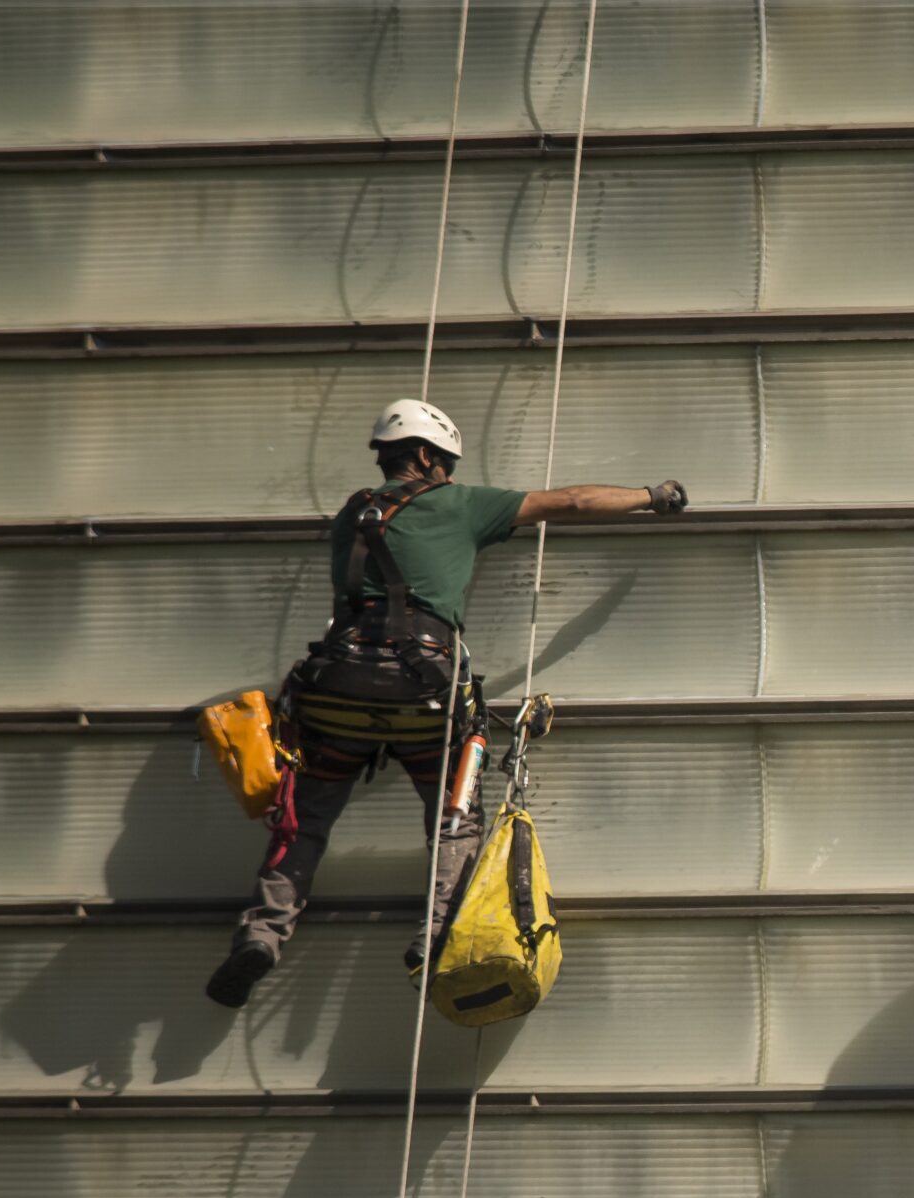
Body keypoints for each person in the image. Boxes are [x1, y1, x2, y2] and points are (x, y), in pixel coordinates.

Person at [205, 398, 686, 1009]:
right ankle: (434, 936)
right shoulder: (459, 504)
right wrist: (653, 494)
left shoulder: (350, 514)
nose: (453, 476)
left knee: (303, 819)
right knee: (455, 814)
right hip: (422, 691)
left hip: (336, 688)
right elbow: (571, 502)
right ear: (428, 457)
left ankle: (262, 936)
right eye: (448, 464)